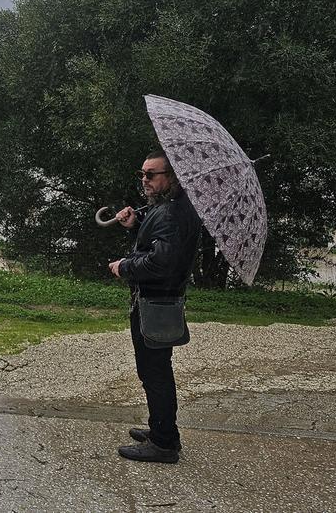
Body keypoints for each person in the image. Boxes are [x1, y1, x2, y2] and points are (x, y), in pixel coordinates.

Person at [107, 149, 201, 464]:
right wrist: (137, 224)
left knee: (155, 372)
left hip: (157, 302)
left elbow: (162, 263)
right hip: (157, 300)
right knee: (155, 370)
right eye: (142, 174)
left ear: (171, 177)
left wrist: (125, 266)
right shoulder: (171, 207)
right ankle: (160, 430)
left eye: (151, 175)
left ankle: (163, 443)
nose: (144, 180)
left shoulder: (173, 213)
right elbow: (159, 242)